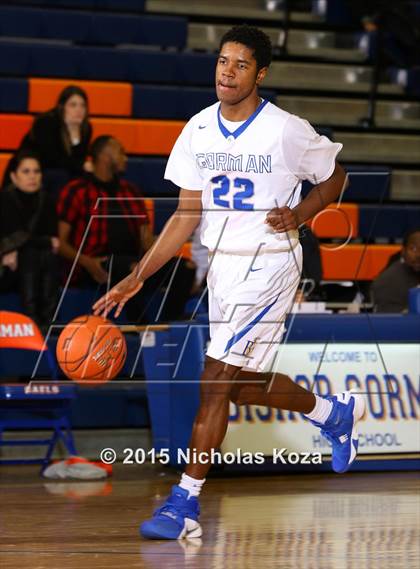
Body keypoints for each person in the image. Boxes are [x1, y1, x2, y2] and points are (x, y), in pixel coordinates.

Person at [93, 25, 366, 539]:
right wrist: (136, 277)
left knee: (213, 380)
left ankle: (184, 504)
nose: (227, 71)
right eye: (223, 61)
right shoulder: (197, 128)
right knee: (237, 386)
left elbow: (336, 175)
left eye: (241, 64)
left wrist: (303, 213)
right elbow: (184, 216)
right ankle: (331, 414)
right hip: (223, 264)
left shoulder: (285, 128)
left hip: (270, 263)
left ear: (260, 74)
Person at [57, 135, 194, 322]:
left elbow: (146, 241)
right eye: (120, 152)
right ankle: (142, 329)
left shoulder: (131, 191)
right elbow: (60, 243)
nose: (125, 157)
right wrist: (88, 263)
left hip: (132, 259)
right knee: (131, 269)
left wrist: (164, 250)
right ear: (105, 155)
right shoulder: (76, 190)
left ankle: (167, 325)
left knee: (185, 267)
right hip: (95, 263)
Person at [0, 150, 59, 331]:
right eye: (26, 171)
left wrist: (42, 243)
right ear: (13, 176)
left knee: (42, 254)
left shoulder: (47, 200)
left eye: (37, 171)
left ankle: (48, 319)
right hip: (6, 267)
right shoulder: (4, 199)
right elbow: (17, 237)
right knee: (32, 253)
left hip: (35, 263)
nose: (32, 176)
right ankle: (32, 319)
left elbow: (53, 241)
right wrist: (44, 242)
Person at [371, 228, 420, 312]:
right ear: (403, 251)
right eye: (413, 249)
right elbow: (389, 320)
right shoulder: (388, 281)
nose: (419, 255)